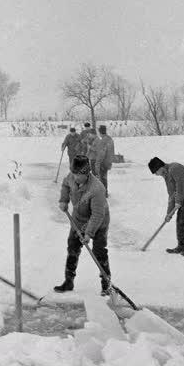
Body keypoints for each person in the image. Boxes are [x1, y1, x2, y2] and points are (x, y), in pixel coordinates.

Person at [54, 154, 111, 296]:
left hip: (99, 222)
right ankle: (68, 281)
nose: (75, 177)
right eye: (74, 173)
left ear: (87, 173)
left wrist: (89, 234)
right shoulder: (71, 177)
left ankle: (106, 284)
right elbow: (65, 185)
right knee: (72, 247)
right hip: (78, 219)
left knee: (99, 252)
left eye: (79, 175)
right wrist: (64, 200)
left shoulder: (97, 188)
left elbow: (97, 215)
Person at [148, 157, 184, 256]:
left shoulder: (175, 168)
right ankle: (181, 246)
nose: (156, 174)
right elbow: (172, 195)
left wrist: (178, 201)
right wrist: (169, 214)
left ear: (160, 167)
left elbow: (181, 186)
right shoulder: (166, 176)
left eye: (155, 172)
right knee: (180, 221)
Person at [92, 125, 115, 197]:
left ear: (100, 132)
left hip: (103, 163)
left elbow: (101, 154)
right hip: (108, 162)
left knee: (101, 178)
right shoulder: (110, 139)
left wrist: (97, 163)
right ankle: (105, 192)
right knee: (104, 178)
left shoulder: (103, 141)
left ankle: (103, 193)